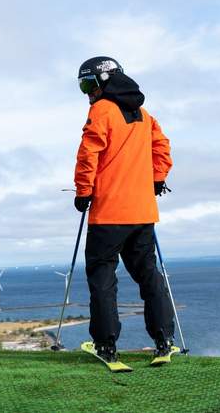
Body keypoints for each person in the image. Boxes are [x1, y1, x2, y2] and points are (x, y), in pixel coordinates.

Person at [74, 56, 174, 362]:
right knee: (148, 275)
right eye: (83, 86)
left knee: (103, 276)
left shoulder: (101, 110)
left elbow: (89, 153)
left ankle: (106, 345)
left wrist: (83, 192)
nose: (88, 92)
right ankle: (164, 341)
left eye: (89, 83)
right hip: (143, 212)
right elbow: (162, 147)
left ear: (105, 80)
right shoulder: (144, 114)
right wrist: (158, 178)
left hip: (109, 215)